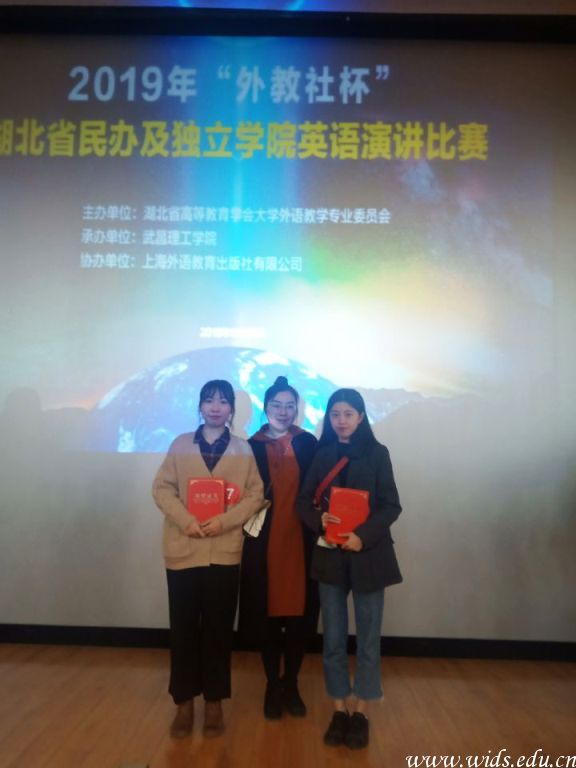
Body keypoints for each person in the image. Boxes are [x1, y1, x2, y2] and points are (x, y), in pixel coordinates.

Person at [152, 379, 264, 739]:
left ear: (232, 409)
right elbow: (162, 488)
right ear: (200, 406)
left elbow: (255, 494)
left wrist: (224, 522)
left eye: (223, 401)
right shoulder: (180, 444)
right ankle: (183, 703)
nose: (216, 407)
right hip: (183, 548)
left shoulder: (243, 449)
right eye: (209, 400)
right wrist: (187, 520)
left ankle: (214, 702)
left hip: (223, 551)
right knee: (183, 630)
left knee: (218, 631)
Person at [297, 388, 402, 750]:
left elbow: (391, 505)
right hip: (330, 557)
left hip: (368, 556)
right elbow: (303, 501)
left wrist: (363, 536)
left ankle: (362, 713)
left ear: (361, 417)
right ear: (328, 418)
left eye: (348, 414)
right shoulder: (323, 454)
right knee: (333, 639)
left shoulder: (377, 453)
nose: (341, 421)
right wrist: (319, 520)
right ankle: (339, 708)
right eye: (335, 414)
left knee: (368, 640)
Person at [238, 376, 319, 720]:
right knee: (267, 615)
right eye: (277, 405)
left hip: (302, 541)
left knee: (300, 617)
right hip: (263, 542)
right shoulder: (250, 446)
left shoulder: (308, 443)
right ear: (266, 407)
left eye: (290, 406)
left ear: (296, 409)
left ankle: (292, 683)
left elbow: (319, 489)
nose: (283, 412)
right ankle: (272, 684)